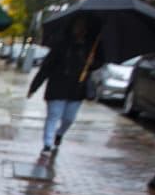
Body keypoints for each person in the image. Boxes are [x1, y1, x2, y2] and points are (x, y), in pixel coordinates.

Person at [27, 15, 103, 156]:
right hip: (57, 87)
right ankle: (47, 144)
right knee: (53, 115)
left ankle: (59, 133)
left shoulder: (90, 48)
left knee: (69, 118)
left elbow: (96, 65)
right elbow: (46, 68)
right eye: (77, 26)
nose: (79, 29)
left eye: (82, 27)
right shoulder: (61, 45)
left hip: (76, 90)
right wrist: (34, 87)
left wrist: (93, 62)